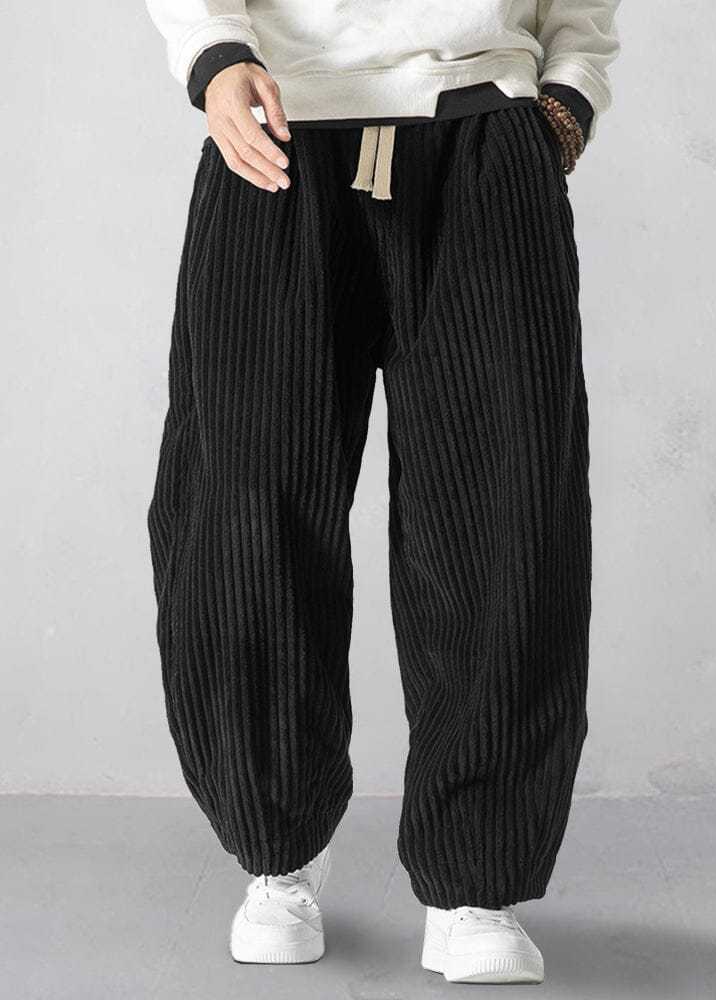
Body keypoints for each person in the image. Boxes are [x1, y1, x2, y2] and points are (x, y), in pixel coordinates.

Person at [144, 0, 620, 984]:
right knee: (247, 509)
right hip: (277, 132)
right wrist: (213, 55)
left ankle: (476, 881)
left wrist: (569, 94)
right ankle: (277, 854)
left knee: (503, 514)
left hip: (482, 131)